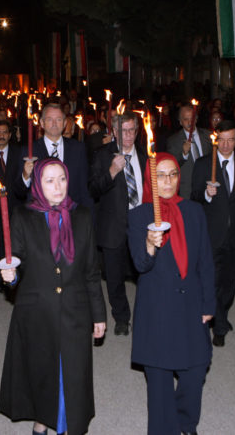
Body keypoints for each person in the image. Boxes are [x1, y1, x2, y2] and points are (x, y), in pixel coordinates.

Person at [0, 158, 106, 435]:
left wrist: (99, 315)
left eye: (62, 179)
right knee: (42, 370)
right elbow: (17, 259)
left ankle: (68, 424)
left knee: (72, 373)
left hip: (75, 309)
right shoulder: (23, 216)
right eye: (49, 180)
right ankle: (42, 420)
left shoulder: (81, 216)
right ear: (37, 184)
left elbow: (91, 270)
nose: (57, 187)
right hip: (37, 310)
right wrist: (12, 275)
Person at [127, 152, 215, 435]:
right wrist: (150, 244)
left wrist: (208, 302)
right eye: (160, 175)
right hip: (158, 305)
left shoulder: (194, 211)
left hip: (190, 301)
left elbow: (205, 260)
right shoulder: (139, 215)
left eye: (173, 174)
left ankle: (186, 423)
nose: (167, 181)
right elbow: (140, 264)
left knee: (196, 368)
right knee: (160, 377)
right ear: (150, 180)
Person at [191, 120, 235, 347]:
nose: (226, 145)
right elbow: (194, 197)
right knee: (213, 279)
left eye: (231, 140)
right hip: (211, 234)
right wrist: (207, 194)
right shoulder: (203, 165)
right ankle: (218, 325)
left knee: (229, 281)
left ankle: (221, 313)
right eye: (222, 140)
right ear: (216, 141)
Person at [89, 111, 147, 335]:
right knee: (114, 277)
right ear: (114, 132)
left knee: (144, 273)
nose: (128, 135)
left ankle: (145, 314)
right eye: (123, 131)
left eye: (132, 130)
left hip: (140, 223)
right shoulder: (103, 156)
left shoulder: (144, 156)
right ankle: (121, 317)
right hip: (113, 225)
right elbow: (93, 189)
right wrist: (112, 171)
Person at [19, 103, 92, 208]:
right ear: (42, 123)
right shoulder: (29, 150)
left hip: (72, 214)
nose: (54, 123)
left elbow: (84, 188)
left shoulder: (78, 148)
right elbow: (19, 191)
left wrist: (88, 219)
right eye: (49, 119)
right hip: (40, 216)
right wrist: (25, 176)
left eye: (58, 119)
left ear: (64, 123)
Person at [0, 120, 25, 292]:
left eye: (5, 132)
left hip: (15, 206)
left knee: (16, 245)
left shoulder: (19, 153)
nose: (1, 135)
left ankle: (16, 278)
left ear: (9, 135)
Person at [167, 102, 212, 199]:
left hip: (208, 187)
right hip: (187, 190)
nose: (189, 123)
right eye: (185, 119)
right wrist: (184, 154)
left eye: (192, 119)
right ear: (180, 121)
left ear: (196, 119)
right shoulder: (173, 141)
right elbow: (172, 166)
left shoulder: (208, 136)